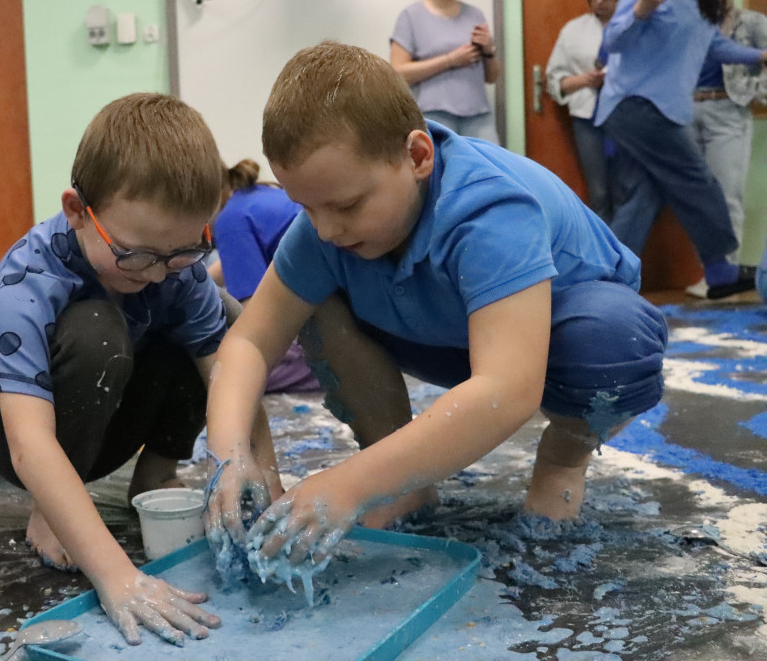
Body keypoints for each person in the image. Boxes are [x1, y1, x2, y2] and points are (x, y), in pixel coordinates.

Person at [203, 41, 668, 569]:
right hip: (452, 335)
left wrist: (350, 485)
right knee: (317, 303)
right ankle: (404, 485)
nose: (327, 229)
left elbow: (510, 388)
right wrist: (230, 455)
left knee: (611, 344)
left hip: (556, 336)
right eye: (306, 207)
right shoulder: (324, 229)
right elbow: (247, 341)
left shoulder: (488, 209)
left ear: (418, 157)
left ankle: (564, 458)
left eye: (348, 205)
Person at [0, 93, 282, 647]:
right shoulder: (27, 280)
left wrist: (261, 475)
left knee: (221, 326)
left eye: (183, 251)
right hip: (24, 436)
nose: (159, 272)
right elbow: (28, 442)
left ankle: (155, 471)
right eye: (137, 255)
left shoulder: (169, 267)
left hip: (114, 420)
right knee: (97, 332)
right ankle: (53, 506)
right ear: (75, 210)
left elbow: (227, 372)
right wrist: (118, 578)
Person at [595, 0, 767, 299]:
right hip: (638, 105)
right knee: (698, 182)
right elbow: (612, 41)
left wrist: (759, 56)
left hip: (656, 108)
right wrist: (641, 10)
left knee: (645, 197)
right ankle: (720, 271)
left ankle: (608, 280)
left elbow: (713, 45)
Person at [209, 158, 318, 393]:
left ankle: (326, 368)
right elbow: (226, 265)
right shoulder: (251, 196)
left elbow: (256, 318)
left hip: (325, 316)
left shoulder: (229, 221)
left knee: (232, 374)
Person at [686, 0, 767, 298]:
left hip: (727, 110)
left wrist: (755, 94)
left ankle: (727, 276)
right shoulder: (687, 21)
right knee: (696, 198)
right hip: (685, 110)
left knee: (726, 195)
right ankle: (711, 273)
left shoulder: (751, 22)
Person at [545, 0, 627, 224]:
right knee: (599, 192)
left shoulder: (633, 26)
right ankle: (604, 257)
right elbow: (555, 81)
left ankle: (627, 256)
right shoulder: (573, 30)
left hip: (627, 119)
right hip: (587, 120)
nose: (598, 1)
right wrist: (586, 80)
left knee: (626, 192)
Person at [390, 0, 501, 144]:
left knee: (489, 167)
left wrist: (489, 51)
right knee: (437, 168)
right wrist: (450, 60)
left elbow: (492, 77)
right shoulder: (411, 16)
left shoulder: (475, 15)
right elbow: (398, 72)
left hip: (478, 117)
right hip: (433, 116)